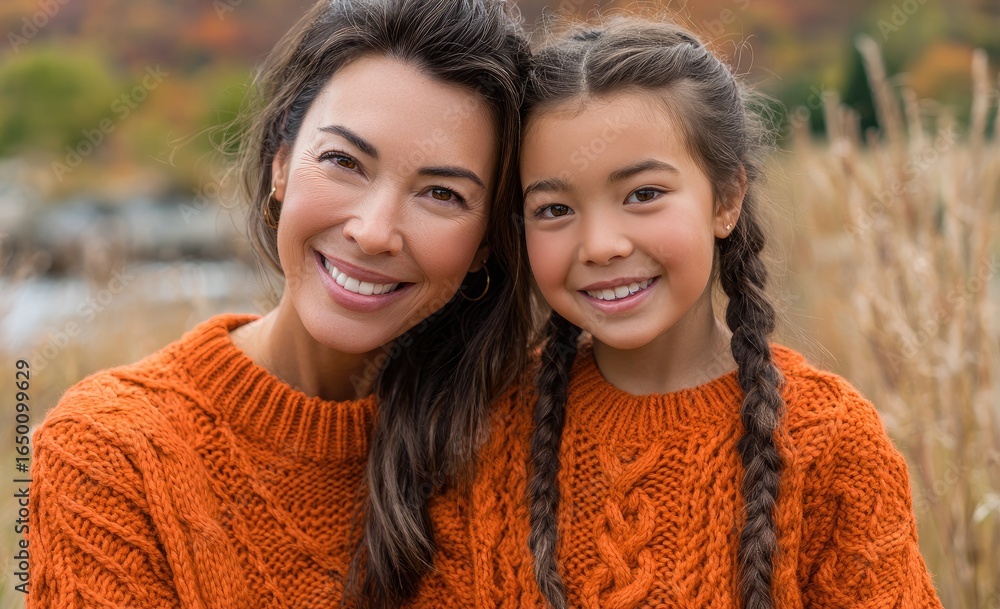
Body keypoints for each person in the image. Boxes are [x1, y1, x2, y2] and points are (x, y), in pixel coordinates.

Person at [27, 1, 531, 607]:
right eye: (344, 161)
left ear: (485, 243)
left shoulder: (533, 432)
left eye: (442, 193)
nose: (373, 232)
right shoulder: (110, 453)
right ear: (282, 165)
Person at [464, 15, 946, 609]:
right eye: (554, 208)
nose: (600, 245)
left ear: (727, 199)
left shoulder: (832, 444)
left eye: (643, 194)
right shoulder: (485, 427)